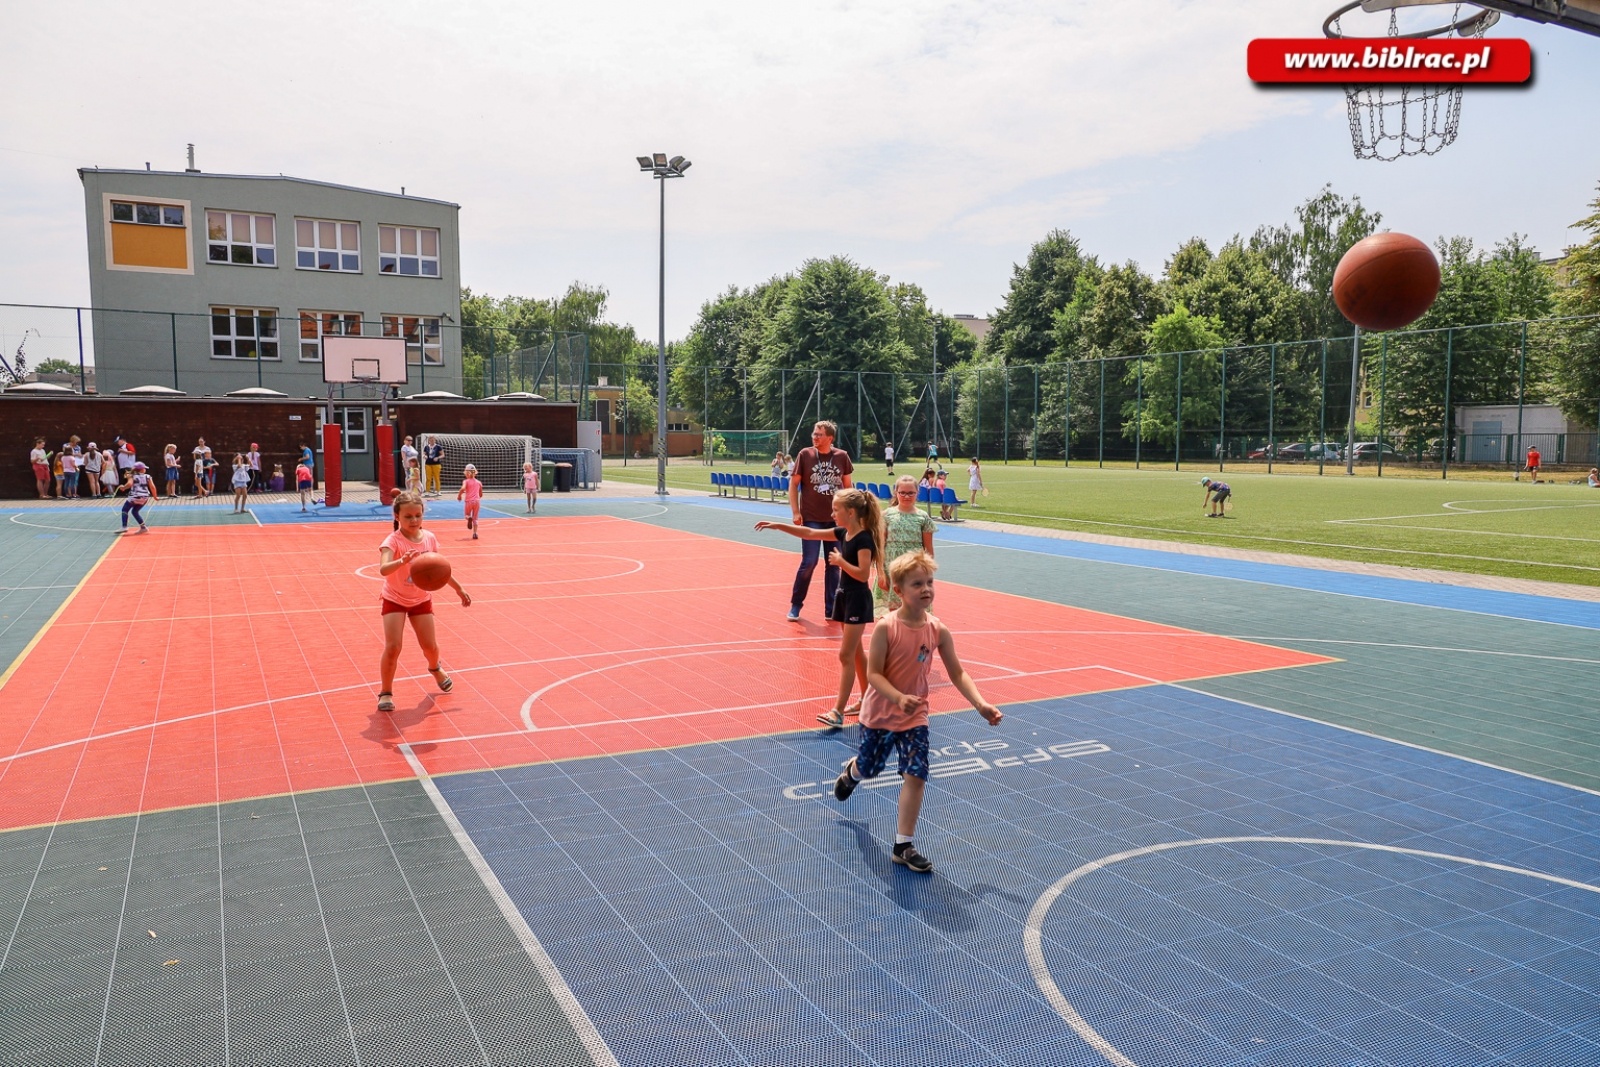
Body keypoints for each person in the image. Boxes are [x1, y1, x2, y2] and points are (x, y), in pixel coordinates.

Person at [832, 550, 1002, 873]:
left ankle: (903, 844)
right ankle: (853, 773)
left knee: (916, 774)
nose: (926, 589)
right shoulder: (886, 628)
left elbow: (957, 672)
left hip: (915, 717)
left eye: (930, 582)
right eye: (917, 584)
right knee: (870, 768)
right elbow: (873, 675)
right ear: (898, 590)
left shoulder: (938, 630)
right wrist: (897, 697)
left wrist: (980, 703)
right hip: (881, 714)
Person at [757, 486, 882, 727]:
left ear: (852, 512)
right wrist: (778, 525)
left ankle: (837, 711)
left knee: (846, 655)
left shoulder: (863, 539)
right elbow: (809, 533)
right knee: (855, 653)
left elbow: (863, 573)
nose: (832, 513)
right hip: (845, 597)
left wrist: (840, 562)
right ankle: (869, 699)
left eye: (836, 509)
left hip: (857, 599)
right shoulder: (842, 533)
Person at [376, 490, 471, 713]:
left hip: (420, 599)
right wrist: (402, 560)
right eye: (408, 516)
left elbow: (439, 569)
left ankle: (435, 667)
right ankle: (386, 692)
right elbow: (383, 569)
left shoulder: (429, 538)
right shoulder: (392, 541)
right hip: (395, 598)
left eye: (418, 515)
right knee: (393, 647)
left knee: (430, 646)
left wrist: (459, 589)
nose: (414, 520)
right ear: (397, 516)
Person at [785, 420, 854, 622]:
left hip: (836, 521)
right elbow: (793, 484)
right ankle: (796, 604)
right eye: (814, 434)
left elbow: (848, 488)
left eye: (819, 434)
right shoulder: (805, 455)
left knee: (834, 564)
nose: (815, 437)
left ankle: (831, 607)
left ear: (830, 438)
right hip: (811, 519)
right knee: (809, 561)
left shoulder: (842, 457)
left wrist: (850, 516)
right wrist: (796, 512)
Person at [875, 475, 937, 617]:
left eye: (910, 493)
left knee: (915, 608)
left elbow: (928, 549)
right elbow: (880, 547)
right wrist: (880, 573)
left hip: (914, 569)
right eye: (902, 492)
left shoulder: (923, 517)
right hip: (891, 569)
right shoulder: (887, 515)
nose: (906, 496)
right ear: (896, 492)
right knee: (893, 611)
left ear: (917, 493)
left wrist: (928, 574)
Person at [118, 460, 157, 534]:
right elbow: (152, 487)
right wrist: (155, 496)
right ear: (142, 469)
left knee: (125, 509)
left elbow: (129, 484)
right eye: (144, 468)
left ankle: (124, 526)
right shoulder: (147, 476)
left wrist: (123, 487)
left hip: (135, 497)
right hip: (144, 498)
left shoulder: (132, 476)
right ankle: (143, 527)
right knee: (135, 511)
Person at [457, 462, 483, 539]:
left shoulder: (466, 481)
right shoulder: (479, 482)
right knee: (476, 518)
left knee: (466, 515)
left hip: (469, 501)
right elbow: (481, 494)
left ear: (466, 473)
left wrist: (459, 495)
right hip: (477, 501)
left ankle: (469, 518)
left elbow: (462, 488)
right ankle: (475, 533)